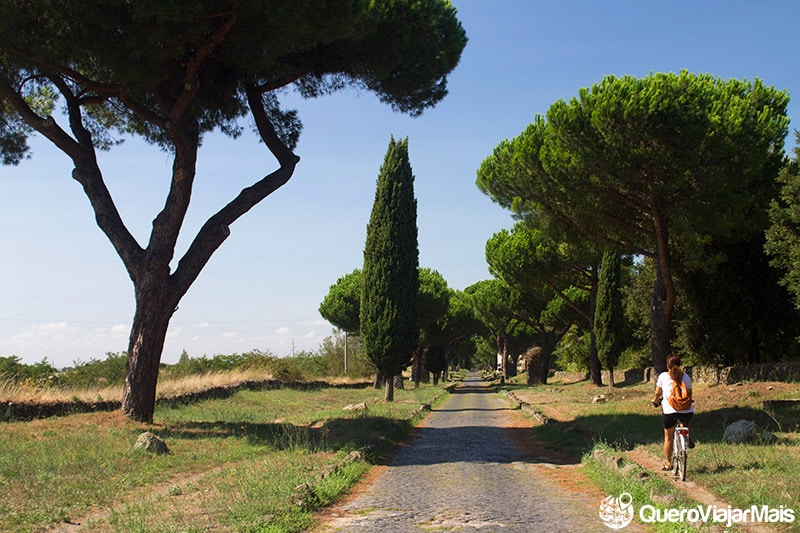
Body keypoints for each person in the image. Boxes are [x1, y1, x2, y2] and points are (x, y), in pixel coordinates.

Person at [652, 354, 695, 470]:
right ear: (680, 365)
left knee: (668, 438)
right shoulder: (685, 377)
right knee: (685, 420)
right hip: (686, 411)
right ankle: (688, 437)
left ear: (667, 366)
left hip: (669, 411)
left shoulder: (663, 376)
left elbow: (657, 393)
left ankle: (668, 463)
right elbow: (689, 393)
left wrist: (655, 401)